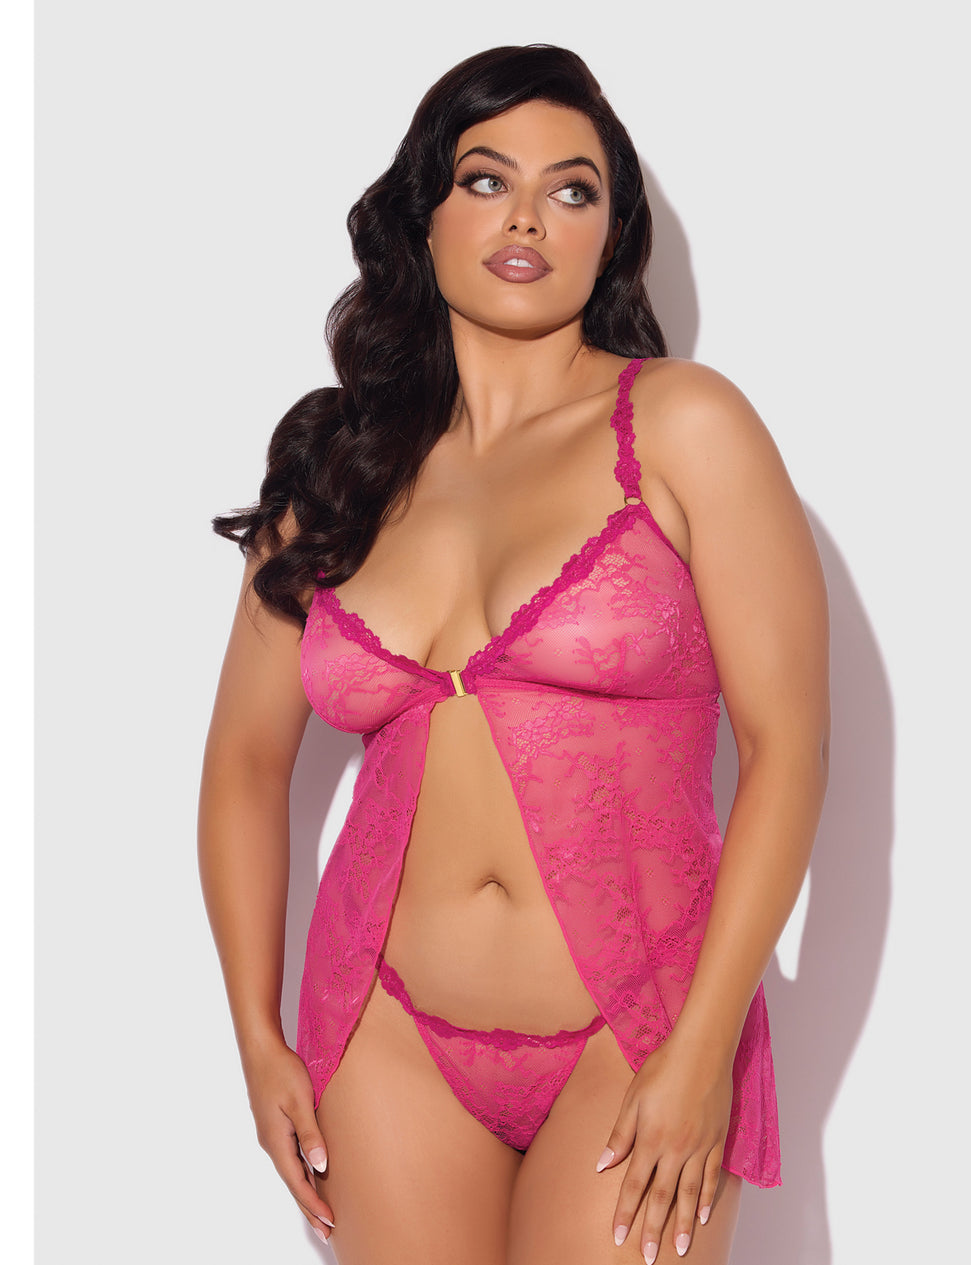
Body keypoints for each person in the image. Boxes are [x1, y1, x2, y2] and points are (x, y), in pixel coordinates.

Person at [198, 44, 829, 1265]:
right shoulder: (337, 470)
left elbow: (788, 746)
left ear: (612, 235)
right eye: (486, 180)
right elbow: (242, 762)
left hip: (638, 1032)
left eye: (572, 189)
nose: (528, 216)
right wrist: (255, 1035)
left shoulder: (686, 425)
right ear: (422, 215)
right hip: (381, 1031)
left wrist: (703, 1048)